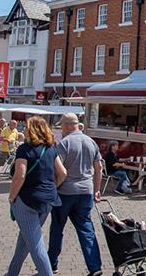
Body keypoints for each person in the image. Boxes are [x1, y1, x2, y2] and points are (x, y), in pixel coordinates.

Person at [7, 116, 67, 276]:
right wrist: (52, 187)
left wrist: (12, 197)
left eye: (26, 127)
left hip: (27, 200)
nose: (24, 129)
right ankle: (12, 273)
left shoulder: (24, 149)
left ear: (31, 130)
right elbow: (62, 172)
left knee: (35, 243)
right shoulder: (51, 148)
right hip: (48, 199)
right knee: (26, 239)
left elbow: (20, 175)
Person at [48, 114, 103, 276]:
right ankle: (95, 267)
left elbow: (59, 170)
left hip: (65, 192)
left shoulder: (64, 143)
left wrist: (54, 187)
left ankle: (51, 264)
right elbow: (98, 168)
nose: (61, 129)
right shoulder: (90, 141)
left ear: (66, 125)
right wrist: (97, 189)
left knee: (57, 227)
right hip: (85, 191)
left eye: (61, 126)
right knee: (86, 229)